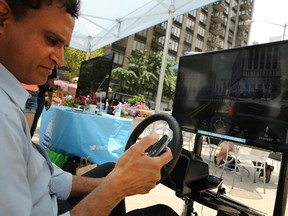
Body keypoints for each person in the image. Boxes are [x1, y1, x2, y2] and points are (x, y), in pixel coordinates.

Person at [0, 1, 178, 216]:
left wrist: (114, 180)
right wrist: (117, 187)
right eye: (52, 40)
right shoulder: (4, 117)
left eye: (63, 46)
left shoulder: (10, 101)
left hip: (47, 199)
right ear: (3, 18)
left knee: (110, 169)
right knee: (162, 213)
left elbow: (43, 175)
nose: (61, 59)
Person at [30, 66, 57, 137]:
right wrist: (50, 99)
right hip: (39, 93)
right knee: (32, 125)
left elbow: (51, 81)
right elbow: (51, 82)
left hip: (28, 89)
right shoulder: (51, 61)